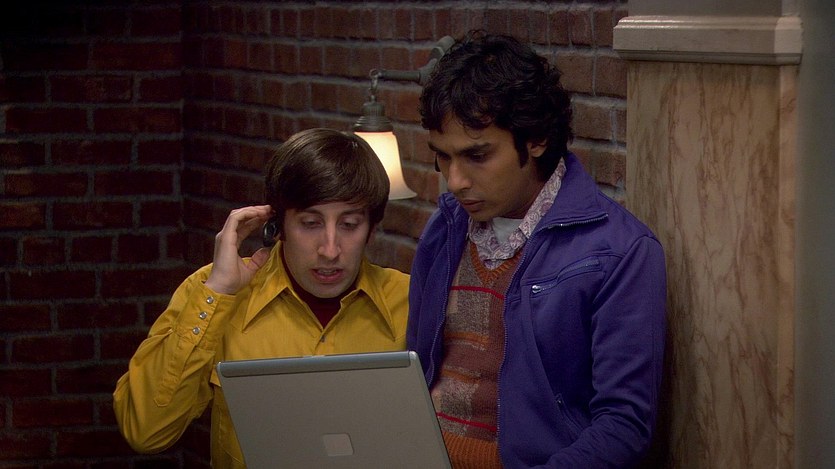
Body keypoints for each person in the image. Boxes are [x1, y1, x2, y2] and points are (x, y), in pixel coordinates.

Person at [407, 31, 667, 468]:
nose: (455, 181)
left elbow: (624, 425)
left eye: (477, 156)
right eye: (443, 157)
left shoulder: (621, 252)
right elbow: (416, 369)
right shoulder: (445, 227)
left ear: (537, 139)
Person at [113, 128, 410, 467]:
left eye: (349, 225)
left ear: (372, 230)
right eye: (310, 223)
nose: (330, 250)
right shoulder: (213, 291)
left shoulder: (411, 300)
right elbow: (145, 431)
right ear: (277, 226)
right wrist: (217, 293)